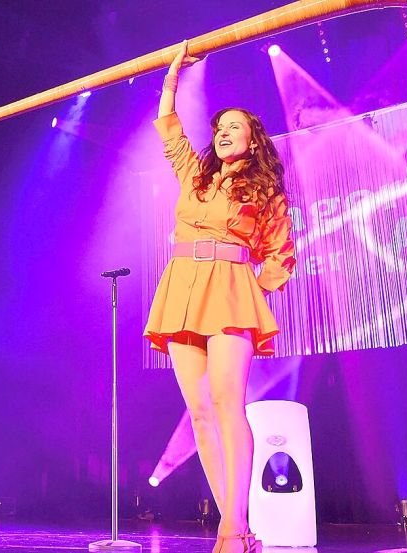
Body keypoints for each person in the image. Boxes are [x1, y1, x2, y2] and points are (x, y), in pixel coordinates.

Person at [143, 41, 296, 553]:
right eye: (220, 126)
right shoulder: (196, 174)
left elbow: (281, 252)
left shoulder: (266, 190)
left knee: (231, 405)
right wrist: (171, 79)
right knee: (200, 410)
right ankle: (235, 528)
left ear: (253, 140)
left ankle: (235, 527)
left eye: (235, 126)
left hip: (229, 290)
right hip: (183, 285)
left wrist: (253, 285)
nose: (224, 131)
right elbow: (169, 130)